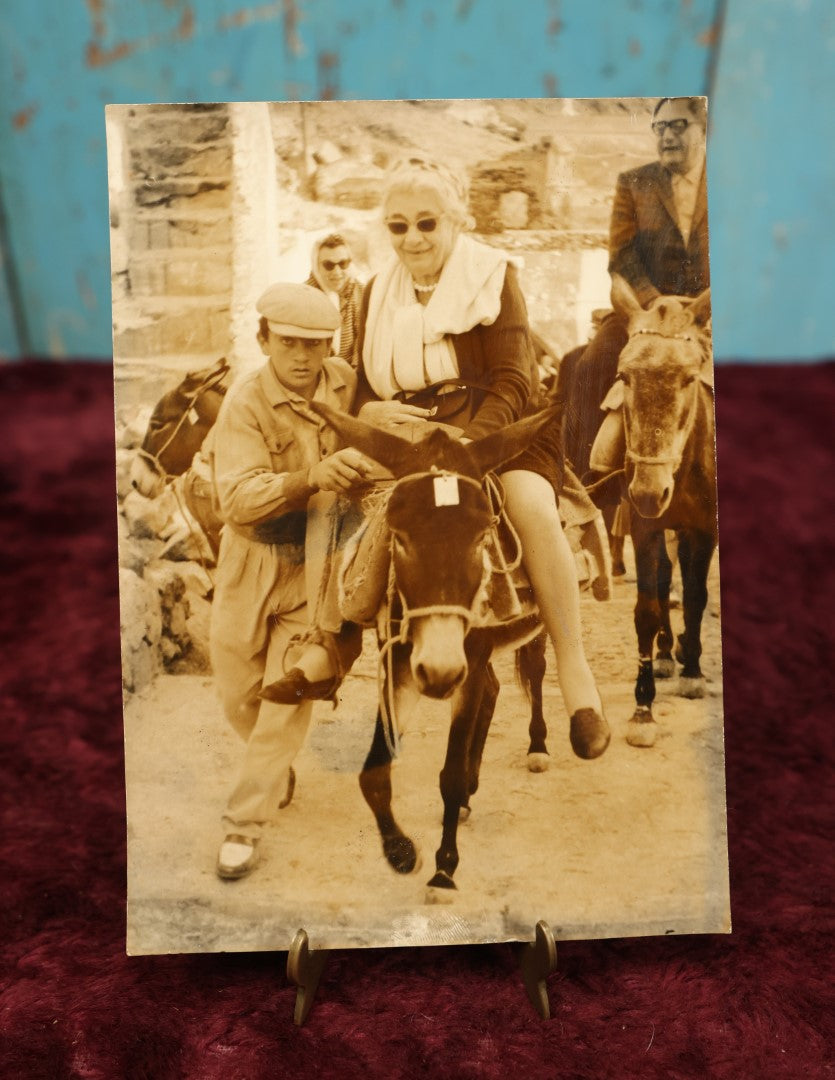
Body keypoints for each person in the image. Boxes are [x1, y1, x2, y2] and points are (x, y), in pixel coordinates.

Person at [267, 156, 610, 762]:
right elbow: (367, 384)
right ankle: (330, 641)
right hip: (410, 432)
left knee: (530, 503)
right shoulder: (374, 291)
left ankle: (573, 667)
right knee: (334, 488)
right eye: (398, 226)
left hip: (495, 428)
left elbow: (513, 381)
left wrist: (466, 448)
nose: (413, 239)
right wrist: (371, 418)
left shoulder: (494, 277)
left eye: (427, 223)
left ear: (456, 220)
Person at [209, 282, 371, 880]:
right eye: (288, 343)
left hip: (316, 563)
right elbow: (237, 499)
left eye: (315, 344)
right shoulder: (245, 402)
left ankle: (243, 826)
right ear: (264, 340)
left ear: (330, 345)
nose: (303, 357)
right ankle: (273, 765)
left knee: (284, 696)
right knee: (237, 695)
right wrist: (311, 477)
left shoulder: (346, 384)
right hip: (249, 559)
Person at [563, 96, 710, 479]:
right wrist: (654, 303)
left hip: (711, 313)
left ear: (704, 129)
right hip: (644, 314)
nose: (666, 136)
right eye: (659, 127)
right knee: (590, 366)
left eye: (678, 125)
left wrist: (704, 306)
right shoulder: (634, 182)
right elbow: (622, 258)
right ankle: (581, 485)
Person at [305, 233, 363, 367]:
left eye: (343, 263)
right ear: (316, 266)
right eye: (328, 265)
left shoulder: (362, 293)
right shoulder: (304, 296)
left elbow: (362, 345)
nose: (337, 272)